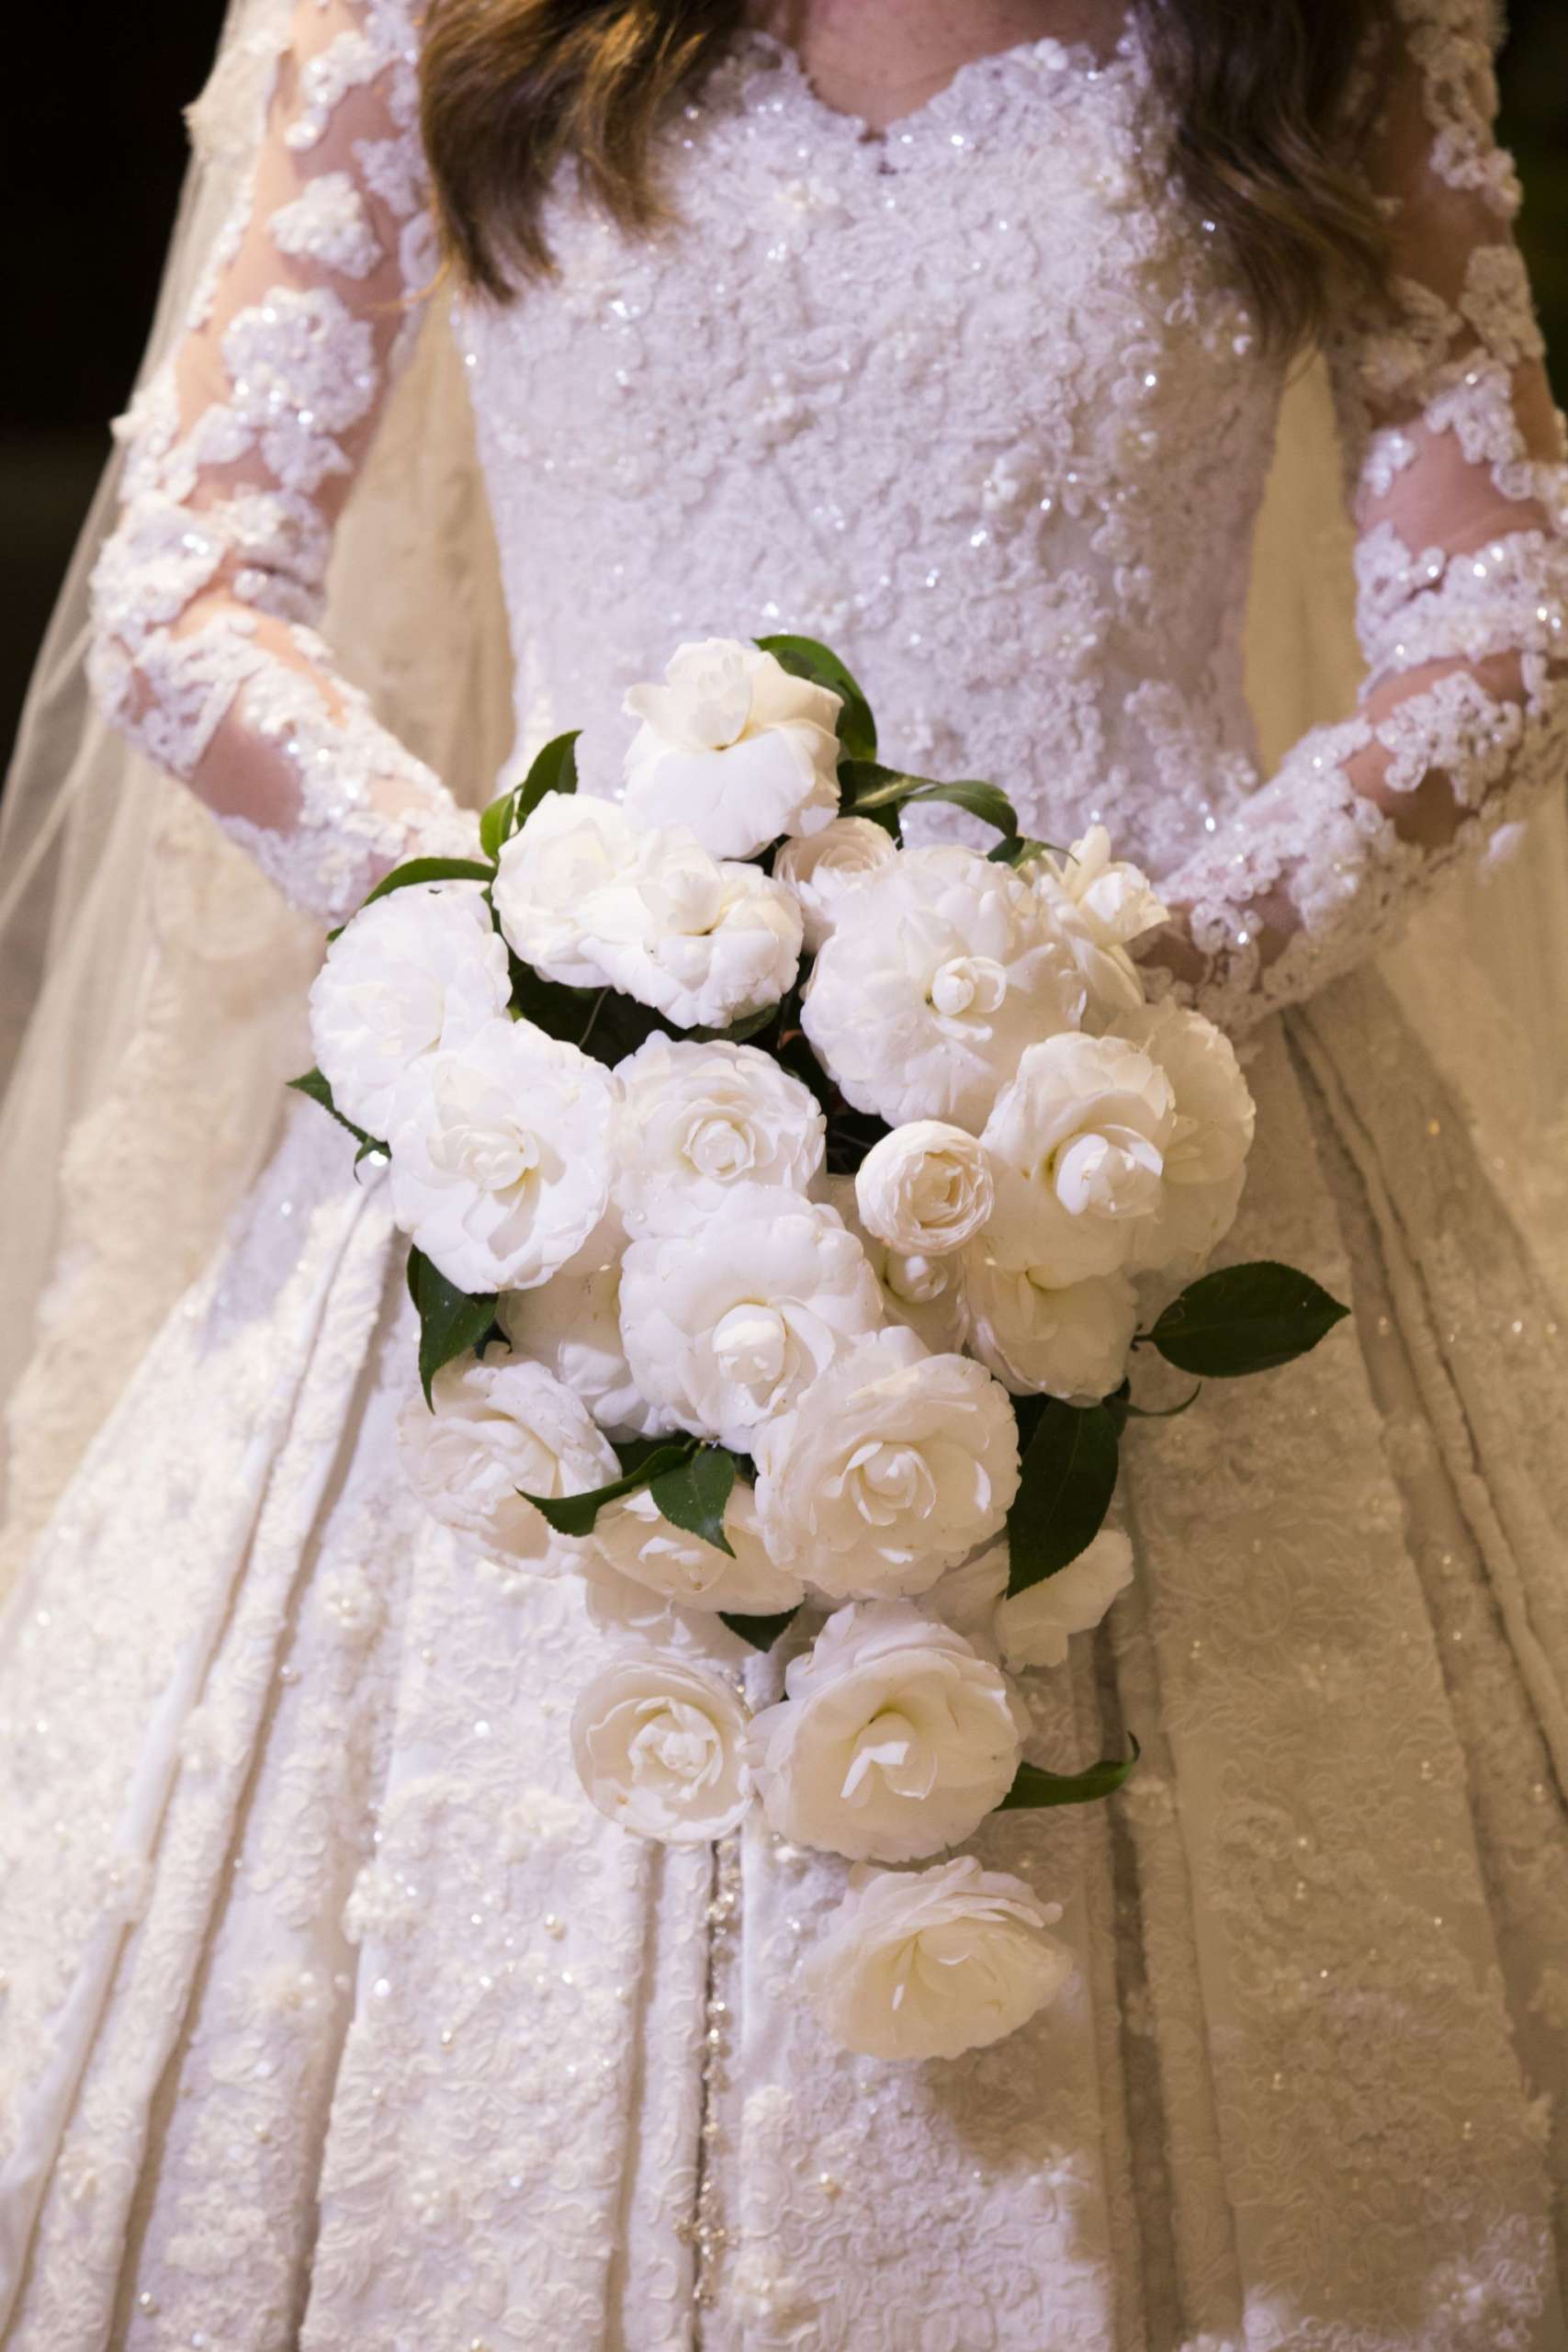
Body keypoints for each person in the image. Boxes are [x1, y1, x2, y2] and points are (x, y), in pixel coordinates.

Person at [1, 0, 1566, 2340]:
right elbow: (182, 582)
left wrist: (1140, 968)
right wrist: (516, 961)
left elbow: (1501, 610)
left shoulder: (1320, 27)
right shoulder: (422, 15)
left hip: (1138, 1118)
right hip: (571, 1136)